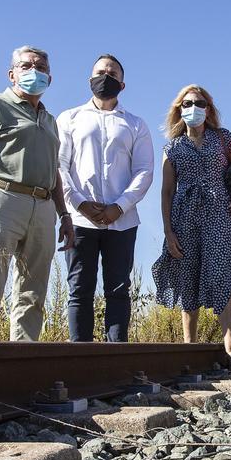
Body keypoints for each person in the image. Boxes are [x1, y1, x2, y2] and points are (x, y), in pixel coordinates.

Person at [0, 45, 75, 341]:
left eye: (41, 68)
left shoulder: (50, 121)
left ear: (50, 77)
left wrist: (65, 215)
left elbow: (54, 172)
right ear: (12, 74)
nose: (34, 72)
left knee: (33, 291)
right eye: (26, 66)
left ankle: (22, 360)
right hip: (1, 199)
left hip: (44, 205)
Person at [56, 54, 155, 342]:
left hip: (121, 222)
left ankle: (115, 355)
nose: (105, 76)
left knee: (118, 290)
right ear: (90, 79)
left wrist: (119, 207)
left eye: (112, 73)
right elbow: (59, 166)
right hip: (79, 220)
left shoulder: (135, 124)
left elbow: (144, 171)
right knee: (79, 288)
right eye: (100, 72)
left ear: (122, 85)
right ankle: (80, 356)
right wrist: (79, 203)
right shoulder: (70, 118)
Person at [152, 85, 231, 372]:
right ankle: (189, 348)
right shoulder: (172, 146)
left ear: (208, 108)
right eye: (186, 103)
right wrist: (169, 231)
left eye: (199, 102)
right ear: (179, 109)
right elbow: (166, 191)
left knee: (222, 275)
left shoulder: (223, 138)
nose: (193, 107)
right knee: (188, 276)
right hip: (185, 216)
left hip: (220, 211)